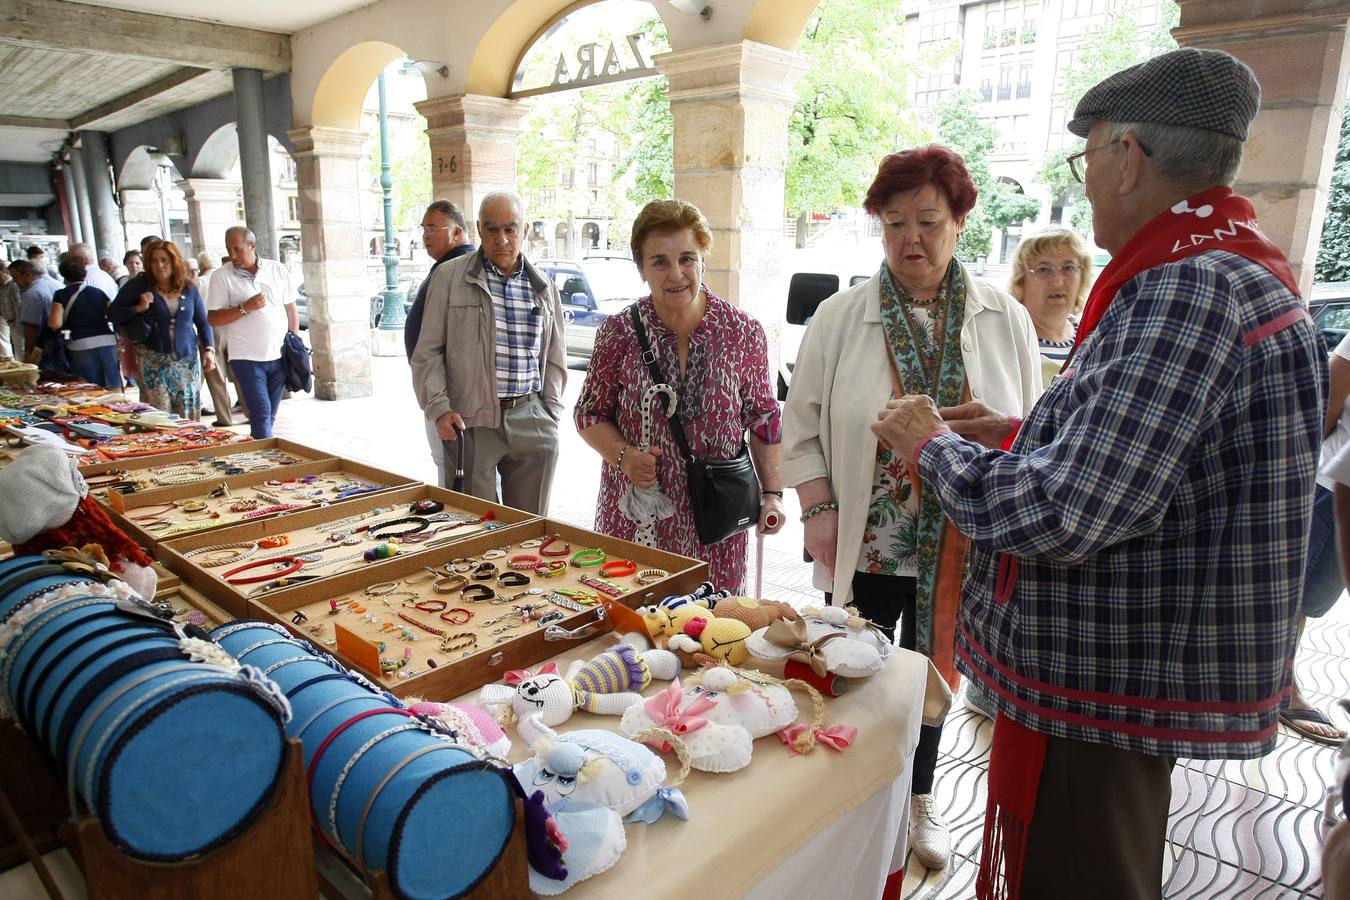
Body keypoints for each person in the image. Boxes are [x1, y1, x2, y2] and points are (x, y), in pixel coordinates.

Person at [871, 48, 1325, 900]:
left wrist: (929, 443)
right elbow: (1144, 451)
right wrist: (1022, 429)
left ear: (1129, 157)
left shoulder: (1183, 288)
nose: (1084, 186)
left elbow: (1065, 509)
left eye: (1088, 160)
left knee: (1079, 872)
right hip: (1123, 669)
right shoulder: (1222, 264)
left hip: (1106, 681)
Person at [780, 144, 1043, 871]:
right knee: (852, 666)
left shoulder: (1004, 316)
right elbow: (798, 425)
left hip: (961, 545)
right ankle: (850, 793)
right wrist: (819, 510)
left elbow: (1033, 427)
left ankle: (919, 798)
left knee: (932, 673)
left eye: (928, 220)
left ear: (961, 220)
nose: (911, 240)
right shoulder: (840, 316)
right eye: (894, 223)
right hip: (870, 540)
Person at [575, 200, 786, 591]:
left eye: (687, 258)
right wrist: (624, 457)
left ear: (703, 256)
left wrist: (773, 494)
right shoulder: (618, 332)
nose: (676, 274)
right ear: (641, 268)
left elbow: (764, 419)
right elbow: (588, 414)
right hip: (639, 519)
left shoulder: (742, 332)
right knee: (636, 634)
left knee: (716, 632)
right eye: (659, 262)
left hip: (717, 525)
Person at [411, 191, 565, 513]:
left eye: (511, 229)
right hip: (471, 422)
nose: (502, 239)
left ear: (525, 231)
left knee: (530, 528)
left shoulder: (544, 287)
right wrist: (439, 408)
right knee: (477, 529)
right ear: (479, 229)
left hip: (531, 418)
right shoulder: (448, 277)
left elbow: (554, 356)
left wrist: (549, 411)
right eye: (492, 229)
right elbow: (427, 353)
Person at [404, 199, 476, 485]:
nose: (425, 235)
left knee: (455, 472)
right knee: (447, 465)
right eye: (424, 228)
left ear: (458, 233)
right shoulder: (446, 268)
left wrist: (441, 402)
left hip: (450, 397)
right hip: (438, 392)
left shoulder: (458, 269)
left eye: (433, 228)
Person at [205, 227, 296, 439]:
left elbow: (289, 307)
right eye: (229, 250)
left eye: (237, 249)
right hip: (246, 358)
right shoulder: (221, 276)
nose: (233, 255)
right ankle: (267, 464)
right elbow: (213, 318)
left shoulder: (277, 269)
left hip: (279, 355)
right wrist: (244, 308)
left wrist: (293, 340)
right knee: (261, 413)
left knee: (269, 415)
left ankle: (260, 455)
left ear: (252, 246)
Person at [110, 241, 216, 417]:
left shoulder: (188, 287)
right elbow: (113, 313)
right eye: (154, 260)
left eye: (164, 260)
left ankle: (192, 444)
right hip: (152, 359)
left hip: (186, 360)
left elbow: (202, 321)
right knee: (159, 413)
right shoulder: (138, 285)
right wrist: (138, 308)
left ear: (174, 261)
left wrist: (208, 349)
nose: (159, 265)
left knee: (188, 411)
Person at [1008, 227, 1093, 386]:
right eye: (1043, 269)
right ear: (1021, 281)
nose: (1057, 281)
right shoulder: (1009, 339)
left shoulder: (1092, 337)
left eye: (1068, 268)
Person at [48, 254, 117, 387]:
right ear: (84, 273)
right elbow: (114, 315)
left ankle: (94, 408)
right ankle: (120, 406)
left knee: (87, 386)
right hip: (107, 340)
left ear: (63, 275)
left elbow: (54, 324)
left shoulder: (61, 295)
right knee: (112, 382)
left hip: (79, 343)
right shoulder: (99, 292)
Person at [10, 259, 63, 364]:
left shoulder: (31, 294)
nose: (14, 282)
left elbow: (31, 328)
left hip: (45, 344)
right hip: (61, 341)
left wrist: (29, 353)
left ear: (27, 275)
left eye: (15, 278)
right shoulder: (57, 284)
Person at [0, 266, 17, 358]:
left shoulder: (14, 284)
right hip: (6, 318)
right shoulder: (1, 286)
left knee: (20, 348)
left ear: (4, 271)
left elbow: (18, 305)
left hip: (16, 320)